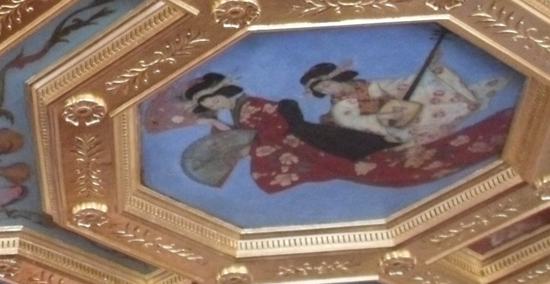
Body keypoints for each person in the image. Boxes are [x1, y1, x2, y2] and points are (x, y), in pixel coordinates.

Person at [177, 72, 512, 194]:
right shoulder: (239, 111)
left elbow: (277, 117)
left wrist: (255, 136)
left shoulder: (250, 103)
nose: (215, 102)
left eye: (211, 97)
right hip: (292, 140)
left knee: (355, 151)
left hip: (300, 137)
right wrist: (220, 126)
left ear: (222, 90)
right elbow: (249, 130)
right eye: (209, 102)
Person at [299, 52, 509, 147]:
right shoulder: (339, 108)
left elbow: (395, 86)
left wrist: (424, 71)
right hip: (389, 123)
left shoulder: (364, 85)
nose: (328, 90)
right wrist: (388, 113)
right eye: (323, 90)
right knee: (414, 115)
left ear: (336, 77)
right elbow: (360, 123)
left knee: (425, 84)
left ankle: (459, 100)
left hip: (398, 107)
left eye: (327, 84)